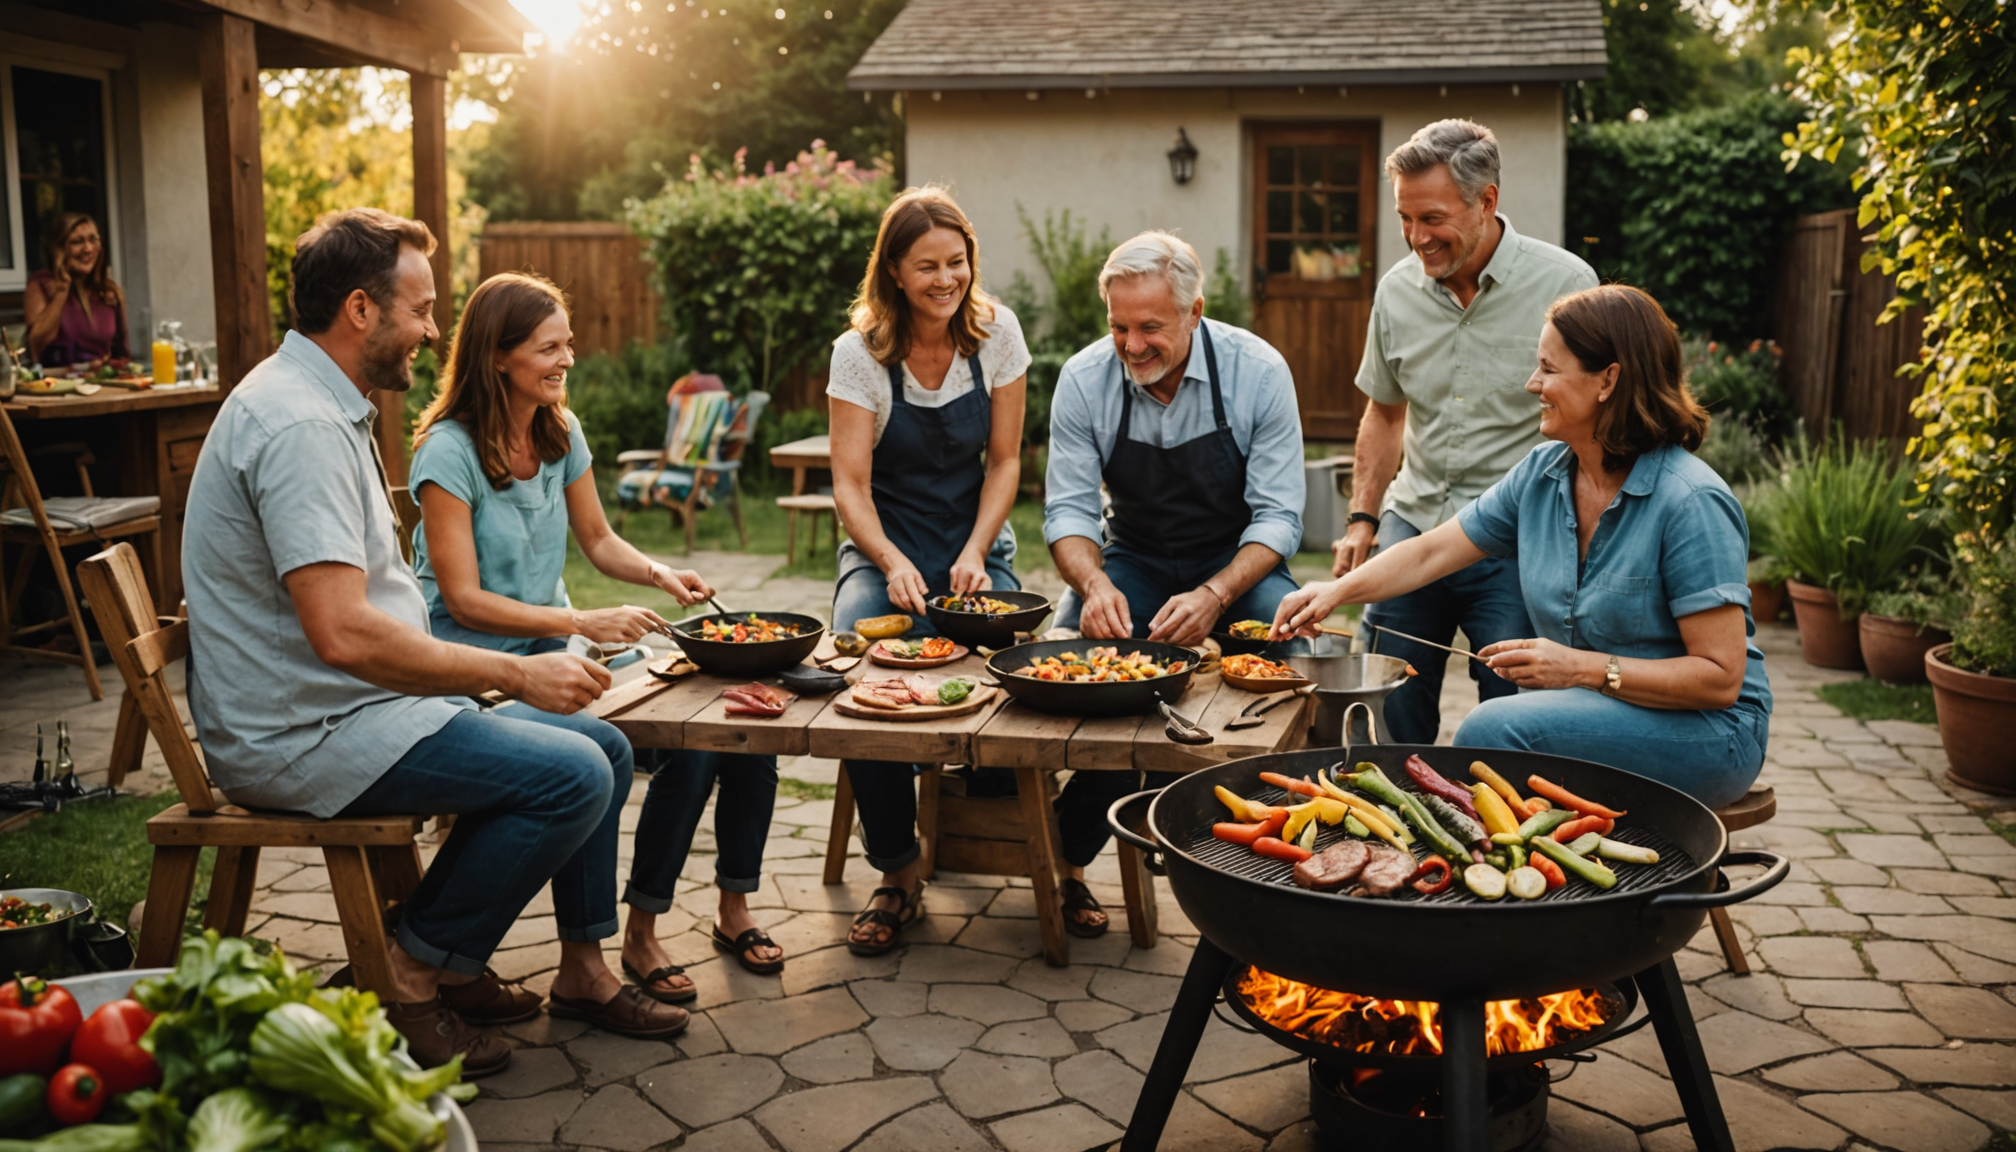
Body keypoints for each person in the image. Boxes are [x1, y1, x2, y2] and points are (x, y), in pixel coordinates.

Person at [182, 209, 685, 1078]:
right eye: (419, 310)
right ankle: (406, 975)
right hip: (304, 729)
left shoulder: (315, 402)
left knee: (599, 742)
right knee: (570, 774)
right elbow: (342, 633)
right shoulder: (299, 425)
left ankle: (556, 966)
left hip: (347, 706)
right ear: (361, 310)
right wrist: (513, 677)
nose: (432, 331)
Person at [409, 271, 784, 997]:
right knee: (609, 745)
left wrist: (658, 573)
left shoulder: (560, 431)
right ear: (497, 357)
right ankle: (591, 958)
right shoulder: (447, 453)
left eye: (568, 345)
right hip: (473, 673)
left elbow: (599, 538)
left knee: (719, 725)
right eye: (549, 348)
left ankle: (669, 923)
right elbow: (463, 598)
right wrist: (581, 622)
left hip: (554, 655)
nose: (567, 360)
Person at [1277, 285, 1771, 808]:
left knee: (1495, 731)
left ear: (1609, 380)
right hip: (1606, 707)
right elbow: (1430, 552)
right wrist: (1333, 592)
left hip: (1711, 730)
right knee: (1504, 734)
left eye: (1550, 369)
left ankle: (1498, 876)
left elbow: (1719, 680)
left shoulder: (1691, 501)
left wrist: (1579, 668)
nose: (1533, 384)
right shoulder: (1544, 473)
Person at [1044, 230, 1304, 933]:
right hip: (1135, 559)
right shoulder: (1084, 377)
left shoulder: (1257, 370)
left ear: (1195, 311)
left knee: (1299, 657)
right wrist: (1094, 585)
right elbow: (1067, 510)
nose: (1131, 345)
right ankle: (1068, 858)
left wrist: (1217, 593)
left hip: (1240, 564)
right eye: (1119, 326)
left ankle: (1281, 858)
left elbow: (1280, 516)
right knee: (1102, 674)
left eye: (1150, 327)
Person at [1333, 119, 1597, 743]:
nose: (1416, 238)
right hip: (1416, 518)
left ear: (1487, 201)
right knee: (1385, 704)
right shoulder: (1396, 293)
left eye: (1432, 218)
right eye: (1405, 219)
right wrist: (1363, 518)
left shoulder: (1567, 287)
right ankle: (1398, 827)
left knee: (1512, 712)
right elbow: (1385, 412)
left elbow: (1595, 428)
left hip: (1517, 536)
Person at [825, 187, 1029, 956]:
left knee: (1019, 675)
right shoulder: (861, 352)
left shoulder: (996, 333)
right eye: (928, 267)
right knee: (859, 679)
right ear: (896, 273)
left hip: (974, 544)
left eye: (958, 262)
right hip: (887, 545)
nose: (948, 280)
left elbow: (1006, 461)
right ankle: (898, 867)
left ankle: (1010, 833)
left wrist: (977, 551)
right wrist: (891, 560)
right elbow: (849, 483)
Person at [24, 212, 128, 367]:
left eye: (93, 240)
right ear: (58, 249)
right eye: (77, 242)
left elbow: (123, 355)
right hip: (55, 384)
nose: (88, 249)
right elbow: (36, 346)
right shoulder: (41, 283)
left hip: (100, 384)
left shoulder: (108, 290)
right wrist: (63, 289)